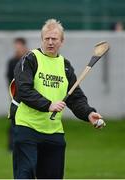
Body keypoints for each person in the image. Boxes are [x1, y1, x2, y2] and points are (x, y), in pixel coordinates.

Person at [10, 19, 106, 179]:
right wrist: (48, 105)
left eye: (54, 39)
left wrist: (89, 114)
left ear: (61, 41)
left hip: (53, 132)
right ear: (42, 39)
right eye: (46, 38)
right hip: (27, 128)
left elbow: (75, 97)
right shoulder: (30, 59)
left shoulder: (65, 66)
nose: (50, 42)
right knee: (24, 176)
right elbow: (24, 90)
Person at [6, 37, 28, 150]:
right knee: (14, 118)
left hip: (29, 96)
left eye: (19, 46)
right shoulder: (12, 61)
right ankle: (11, 146)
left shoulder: (29, 59)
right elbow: (10, 78)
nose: (17, 48)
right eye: (16, 46)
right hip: (16, 95)